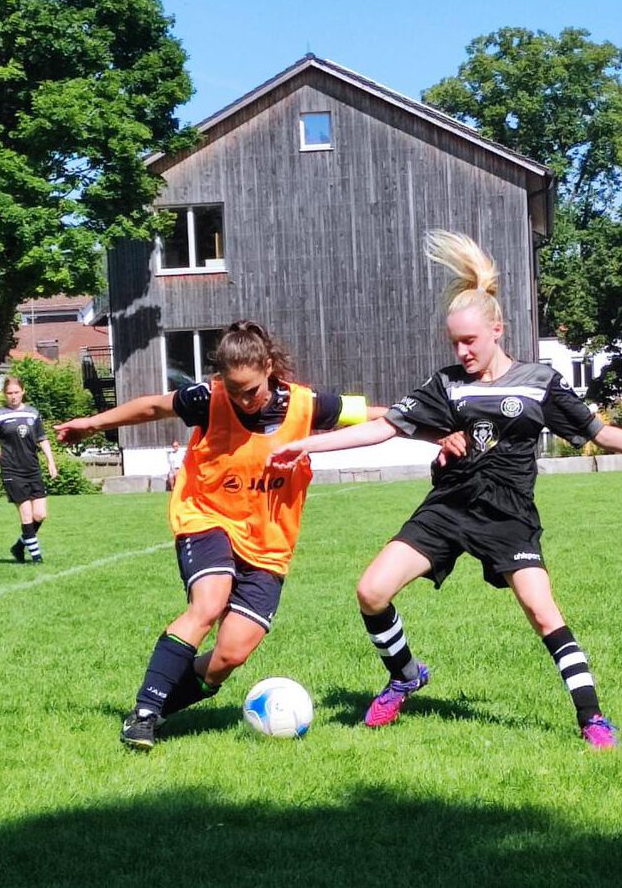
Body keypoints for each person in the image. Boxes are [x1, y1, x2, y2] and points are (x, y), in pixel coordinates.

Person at [269, 231, 622, 750]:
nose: (462, 351)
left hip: (507, 513)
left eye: (470, 341)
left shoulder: (538, 381)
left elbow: (598, 432)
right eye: (454, 343)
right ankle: (405, 675)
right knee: (371, 591)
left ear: (497, 330)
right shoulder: (446, 384)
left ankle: (592, 719)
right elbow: (385, 426)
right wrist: (308, 445)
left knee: (541, 611)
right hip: (448, 506)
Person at [55, 320, 385, 751]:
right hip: (207, 518)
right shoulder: (207, 399)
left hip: (269, 546)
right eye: (234, 390)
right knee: (208, 604)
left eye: (250, 389)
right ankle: (143, 713)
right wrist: (94, 425)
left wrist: (436, 425)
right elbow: (153, 407)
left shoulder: (306, 404)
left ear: (268, 367)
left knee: (229, 656)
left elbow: (373, 415)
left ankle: (156, 708)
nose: (244, 400)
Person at [0, 376, 58, 564]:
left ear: (23, 392)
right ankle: (36, 558)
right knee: (26, 515)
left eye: (16, 392)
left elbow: (42, 439)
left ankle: (19, 546)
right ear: (4, 394)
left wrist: (51, 462)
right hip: (11, 470)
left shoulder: (33, 413)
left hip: (32, 469)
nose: (13, 396)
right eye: (9, 393)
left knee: (40, 515)